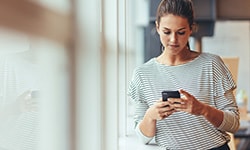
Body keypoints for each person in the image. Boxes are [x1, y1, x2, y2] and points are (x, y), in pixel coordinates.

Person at [128, 0, 240, 149]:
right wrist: (150, 116)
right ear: (157, 27)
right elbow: (143, 138)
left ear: (191, 29)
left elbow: (234, 124)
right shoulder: (142, 75)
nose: (173, 40)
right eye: (167, 32)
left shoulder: (212, 64)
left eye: (180, 32)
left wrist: (203, 109)